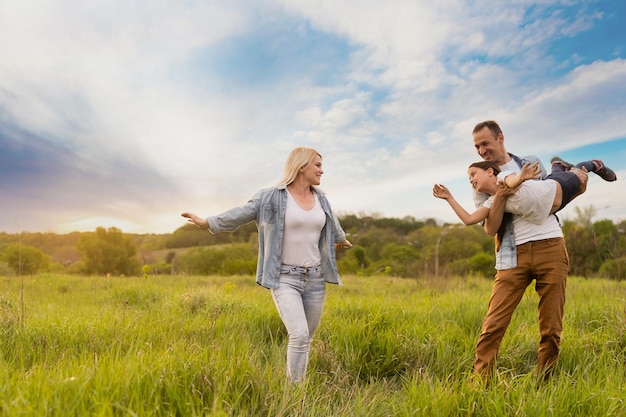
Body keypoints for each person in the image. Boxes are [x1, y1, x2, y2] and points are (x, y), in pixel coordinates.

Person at [181, 146, 352, 384]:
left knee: (306, 339)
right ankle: (295, 396)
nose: (322, 171)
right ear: (301, 166)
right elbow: (242, 213)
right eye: (318, 165)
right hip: (284, 278)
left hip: (315, 278)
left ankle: (297, 392)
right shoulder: (270, 197)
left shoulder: (320, 197)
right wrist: (208, 222)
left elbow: (332, 223)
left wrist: (341, 239)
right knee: (299, 335)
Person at [466, 120, 591, 382]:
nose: (481, 150)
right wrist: (501, 194)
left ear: (500, 138)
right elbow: (490, 226)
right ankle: (480, 384)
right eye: (477, 146)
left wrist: (573, 183)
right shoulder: (481, 177)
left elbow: (551, 198)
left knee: (551, 327)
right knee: (493, 325)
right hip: (512, 256)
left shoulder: (529, 162)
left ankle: (544, 384)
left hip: (550, 245)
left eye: (485, 143)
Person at [433, 155, 616, 226]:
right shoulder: (492, 202)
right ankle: (558, 164)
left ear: (490, 171)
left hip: (556, 188)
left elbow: (511, 182)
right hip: (552, 206)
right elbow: (469, 220)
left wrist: (521, 177)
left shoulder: (502, 177)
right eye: (469, 179)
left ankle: (595, 164)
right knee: (559, 175)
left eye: (473, 174)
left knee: (579, 172)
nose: (471, 179)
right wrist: (449, 197)